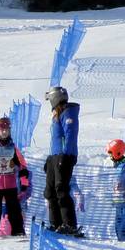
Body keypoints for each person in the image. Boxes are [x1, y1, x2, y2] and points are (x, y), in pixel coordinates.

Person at [44, 86, 84, 238]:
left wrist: (65, 156)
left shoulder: (68, 113)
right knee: (50, 191)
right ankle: (56, 223)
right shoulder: (58, 114)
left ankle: (69, 224)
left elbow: (70, 135)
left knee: (61, 189)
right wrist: (50, 159)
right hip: (55, 156)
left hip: (64, 156)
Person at [107, 139, 125, 242]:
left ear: (118, 152)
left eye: (111, 154)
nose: (110, 157)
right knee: (117, 228)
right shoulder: (119, 166)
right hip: (119, 203)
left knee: (123, 229)